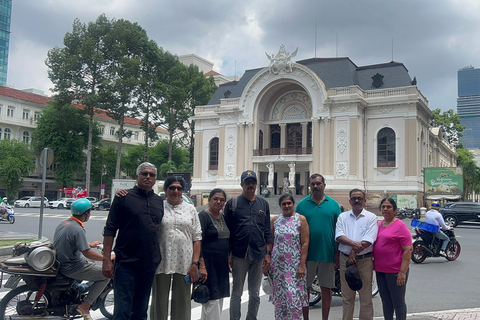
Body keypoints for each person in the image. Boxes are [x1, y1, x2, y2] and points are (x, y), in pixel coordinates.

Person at [102, 162, 164, 320]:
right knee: (122, 311)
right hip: (126, 263)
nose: (148, 177)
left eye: (152, 175)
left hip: (149, 264)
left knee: (141, 311)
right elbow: (110, 229)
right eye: (145, 174)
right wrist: (106, 259)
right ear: (137, 177)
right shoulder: (123, 197)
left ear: (155, 179)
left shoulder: (158, 201)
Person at [150, 176, 202, 320]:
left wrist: (195, 264)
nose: (175, 191)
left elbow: (197, 238)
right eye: (172, 187)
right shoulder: (158, 207)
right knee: (159, 301)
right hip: (161, 260)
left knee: (182, 302)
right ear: (166, 190)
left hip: (184, 261)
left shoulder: (190, 209)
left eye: (179, 188)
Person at [224, 170, 273, 320]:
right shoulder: (233, 204)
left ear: (256, 185)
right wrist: (228, 254)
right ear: (242, 184)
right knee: (237, 293)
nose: (250, 185)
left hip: (258, 254)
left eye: (253, 182)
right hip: (239, 254)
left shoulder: (263, 204)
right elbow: (227, 232)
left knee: (254, 294)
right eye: (247, 182)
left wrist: (268, 254)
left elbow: (267, 231)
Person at [53, 198, 110, 320]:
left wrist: (91, 244)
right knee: (106, 275)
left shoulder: (65, 223)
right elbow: (87, 253)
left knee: (92, 264)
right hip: (71, 267)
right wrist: (106, 259)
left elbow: (72, 241)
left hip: (61, 263)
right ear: (86, 214)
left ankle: (80, 288)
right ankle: (85, 306)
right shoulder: (78, 229)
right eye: (89, 212)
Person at [295, 173, 341, 320]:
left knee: (326, 289)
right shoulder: (302, 205)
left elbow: (339, 230)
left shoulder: (333, 205)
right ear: (309, 186)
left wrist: (337, 253)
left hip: (327, 254)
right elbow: (296, 230)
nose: (315, 186)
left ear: (324, 185)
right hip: (307, 256)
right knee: (304, 290)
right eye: (313, 184)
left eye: (318, 183)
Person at [335, 189, 378, 320]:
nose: (357, 201)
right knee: (347, 298)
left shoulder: (372, 218)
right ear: (350, 201)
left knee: (366, 298)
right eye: (354, 199)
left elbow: (369, 239)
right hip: (346, 261)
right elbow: (339, 236)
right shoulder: (342, 217)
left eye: (360, 198)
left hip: (364, 261)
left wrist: (354, 250)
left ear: (365, 201)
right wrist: (354, 246)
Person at [269, 193, 309, 319]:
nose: (286, 206)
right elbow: (271, 242)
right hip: (278, 266)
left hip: (295, 265)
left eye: (289, 203)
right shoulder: (275, 220)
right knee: (280, 300)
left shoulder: (300, 219)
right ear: (280, 206)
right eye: (284, 204)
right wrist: (267, 259)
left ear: (293, 204)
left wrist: (302, 265)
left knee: (293, 299)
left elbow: (305, 243)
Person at [373, 198, 413, 320]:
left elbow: (408, 250)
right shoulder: (379, 225)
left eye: (389, 207)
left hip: (395, 271)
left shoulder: (400, 226)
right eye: (383, 207)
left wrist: (402, 272)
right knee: (385, 301)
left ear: (394, 210)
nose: (385, 209)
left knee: (398, 302)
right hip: (380, 270)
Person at [198, 188, 230, 320]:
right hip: (208, 264)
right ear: (209, 200)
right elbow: (198, 241)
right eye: (215, 199)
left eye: (222, 200)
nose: (219, 202)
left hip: (221, 264)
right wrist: (201, 265)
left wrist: (228, 257)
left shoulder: (223, 217)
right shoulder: (203, 216)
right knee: (211, 299)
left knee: (219, 298)